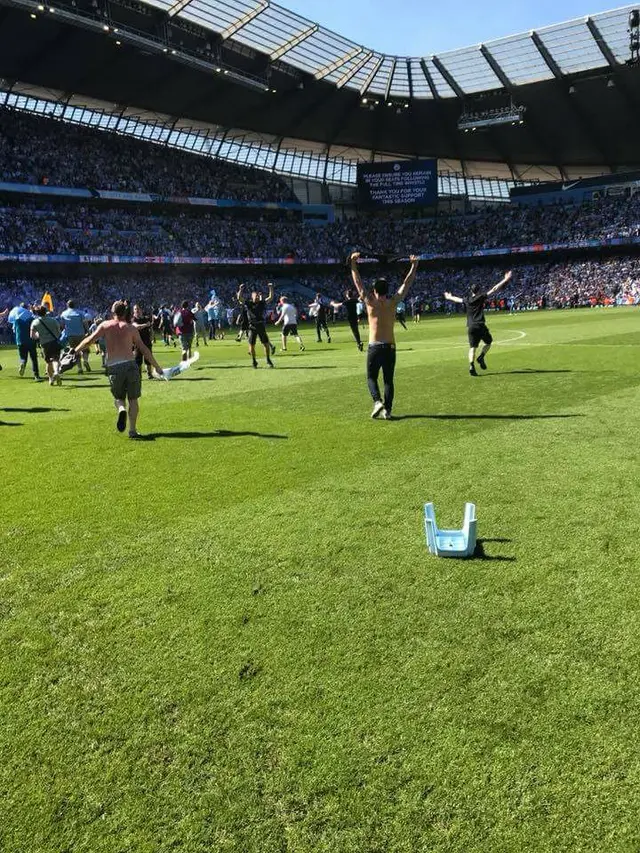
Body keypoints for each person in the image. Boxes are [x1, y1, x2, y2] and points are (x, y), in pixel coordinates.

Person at [71, 301, 164, 439]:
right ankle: (132, 430)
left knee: (118, 398)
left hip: (114, 367)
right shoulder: (131, 328)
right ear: (126, 312)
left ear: (112, 311)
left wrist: (75, 350)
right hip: (131, 365)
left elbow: (89, 340)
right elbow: (143, 348)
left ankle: (121, 409)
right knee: (133, 399)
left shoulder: (105, 325)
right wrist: (156, 366)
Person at [349, 252, 420, 419]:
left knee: (371, 378)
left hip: (374, 346)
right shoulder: (393, 302)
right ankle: (387, 410)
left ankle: (377, 401)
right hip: (390, 346)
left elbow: (358, 283)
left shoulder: (370, 302)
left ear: (374, 290)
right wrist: (414, 266)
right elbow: (406, 283)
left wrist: (353, 264)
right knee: (388, 380)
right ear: (387, 290)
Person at [444, 270, 513, 376]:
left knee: (472, 348)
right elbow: (494, 289)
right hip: (480, 324)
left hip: (471, 326)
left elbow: (457, 299)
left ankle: (471, 365)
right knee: (488, 342)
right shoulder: (481, 297)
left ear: (471, 291)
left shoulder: (467, 299)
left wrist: (449, 297)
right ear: (478, 290)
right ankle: (481, 357)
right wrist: (505, 279)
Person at [237, 283, 275, 368]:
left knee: (265, 344)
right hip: (252, 326)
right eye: (255, 296)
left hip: (261, 325)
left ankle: (268, 359)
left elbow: (271, 297)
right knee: (252, 345)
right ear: (252, 297)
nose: (257, 297)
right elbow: (239, 298)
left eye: (258, 296)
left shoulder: (262, 303)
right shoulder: (249, 303)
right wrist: (240, 289)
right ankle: (254, 361)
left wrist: (271, 288)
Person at [8, 304, 42, 381]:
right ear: (26, 308)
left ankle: (22, 363)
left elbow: (14, 331)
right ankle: (36, 376)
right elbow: (36, 327)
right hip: (31, 340)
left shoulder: (16, 319)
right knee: (33, 358)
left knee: (23, 357)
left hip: (20, 341)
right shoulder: (31, 317)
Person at [30, 305, 63, 385]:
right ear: (45, 312)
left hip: (44, 344)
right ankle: (56, 372)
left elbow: (32, 336)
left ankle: (51, 379)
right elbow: (59, 333)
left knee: (48, 362)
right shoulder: (53, 320)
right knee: (56, 359)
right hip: (54, 342)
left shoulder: (35, 322)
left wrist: (39, 335)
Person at [59, 300, 91, 373]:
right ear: (75, 305)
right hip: (80, 334)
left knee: (75, 351)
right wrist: (88, 331)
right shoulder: (80, 313)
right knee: (85, 349)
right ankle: (85, 360)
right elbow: (85, 323)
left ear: (67, 305)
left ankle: (79, 368)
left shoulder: (64, 314)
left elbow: (62, 325)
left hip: (70, 335)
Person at [132, 303, 155, 379]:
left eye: (138, 309)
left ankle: (149, 374)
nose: (137, 310)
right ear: (133, 311)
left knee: (148, 359)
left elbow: (151, 329)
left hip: (147, 342)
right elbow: (136, 327)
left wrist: (152, 337)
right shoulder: (133, 319)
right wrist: (146, 325)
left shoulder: (146, 318)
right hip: (137, 343)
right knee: (138, 360)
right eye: (135, 309)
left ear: (141, 310)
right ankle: (139, 375)